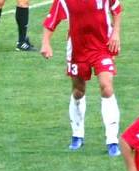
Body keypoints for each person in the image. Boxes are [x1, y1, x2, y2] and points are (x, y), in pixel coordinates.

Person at [40, 0, 123, 156]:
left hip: (102, 46)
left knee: (107, 86)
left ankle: (112, 141)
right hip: (78, 48)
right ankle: (77, 134)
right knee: (78, 91)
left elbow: (116, 9)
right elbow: (51, 20)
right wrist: (46, 43)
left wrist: (116, 33)